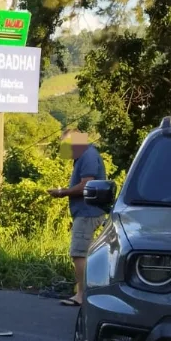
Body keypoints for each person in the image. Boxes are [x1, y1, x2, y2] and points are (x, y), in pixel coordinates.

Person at [49, 131, 107, 306]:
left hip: (87, 212)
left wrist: (62, 192)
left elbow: (86, 185)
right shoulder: (85, 155)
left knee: (79, 254)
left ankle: (81, 295)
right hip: (88, 211)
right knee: (89, 255)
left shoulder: (88, 156)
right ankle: (87, 291)